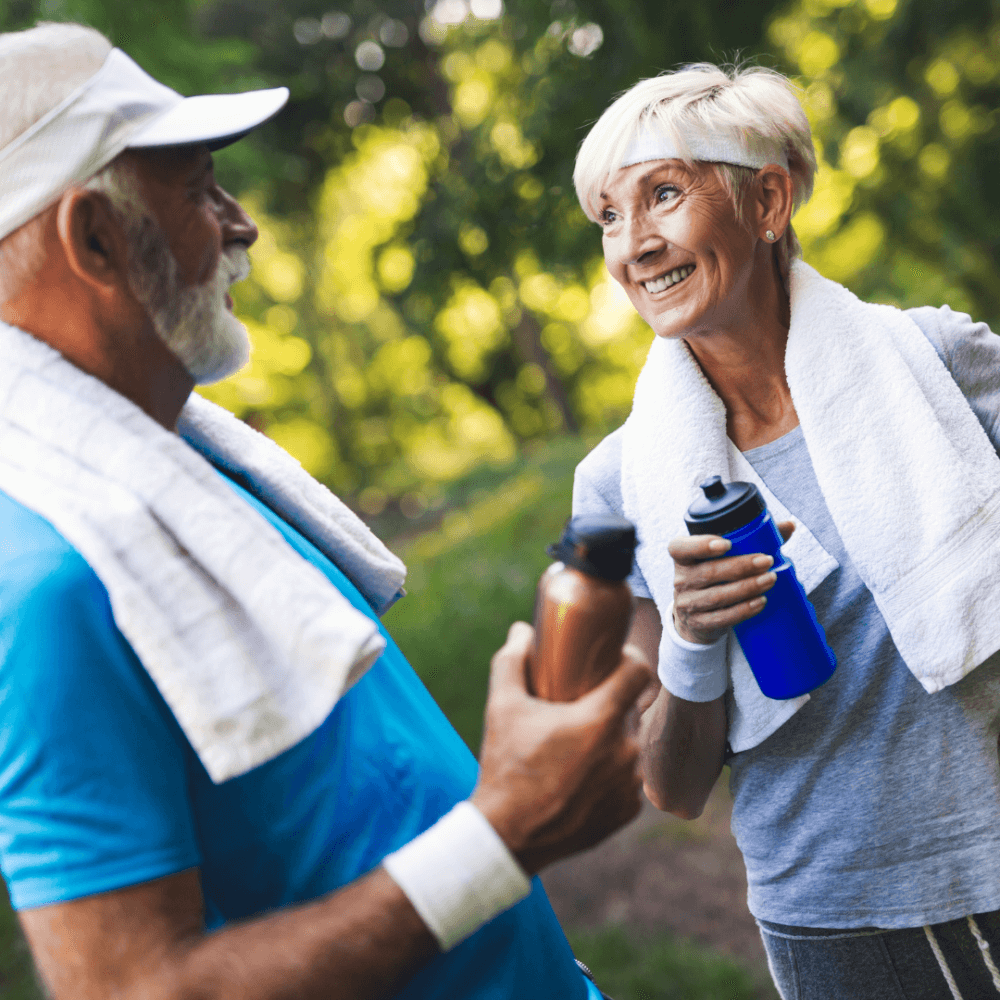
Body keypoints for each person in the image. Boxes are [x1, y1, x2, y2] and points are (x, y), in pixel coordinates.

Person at [0, 23, 654, 1000]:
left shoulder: (173, 474)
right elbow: (132, 988)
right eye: (196, 187)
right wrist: (507, 833)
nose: (239, 221)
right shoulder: (48, 584)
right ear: (93, 237)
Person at [570, 63, 1000, 999]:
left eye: (665, 195)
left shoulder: (940, 364)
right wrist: (689, 638)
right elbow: (673, 790)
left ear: (767, 200)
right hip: (837, 931)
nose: (633, 245)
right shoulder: (618, 485)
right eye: (609, 216)